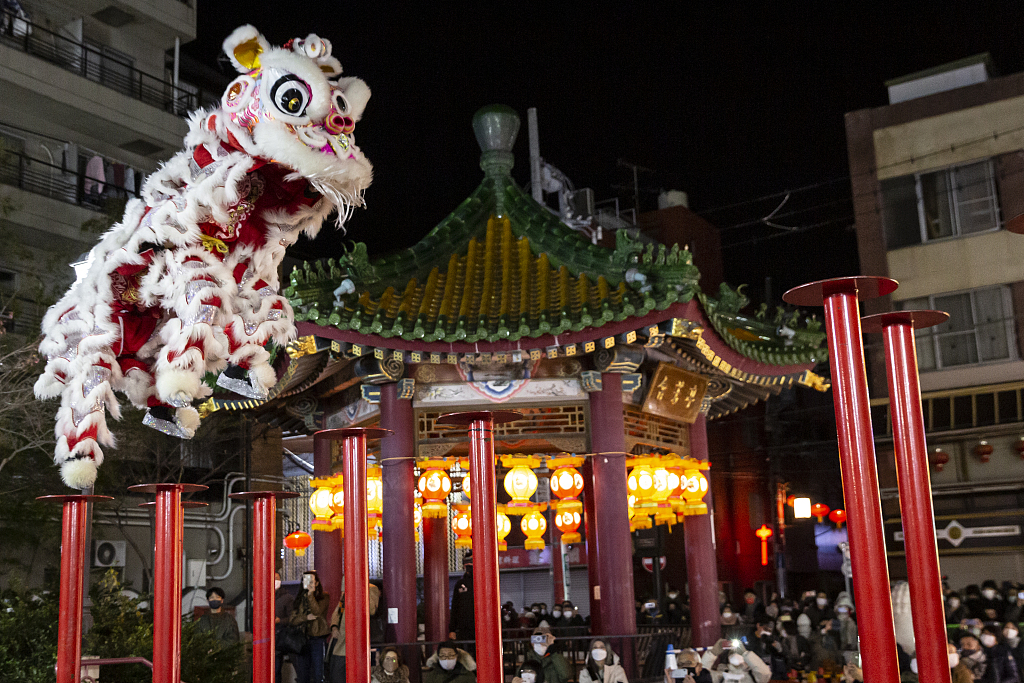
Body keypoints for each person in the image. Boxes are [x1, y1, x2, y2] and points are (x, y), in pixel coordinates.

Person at [328, 579, 382, 683]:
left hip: (358, 640)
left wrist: (359, 590)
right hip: (341, 640)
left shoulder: (371, 588)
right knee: (336, 676)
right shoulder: (345, 594)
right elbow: (338, 612)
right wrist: (334, 627)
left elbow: (371, 610)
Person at [290, 570, 331, 683]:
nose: (309, 584)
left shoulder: (324, 597)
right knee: (303, 674)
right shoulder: (299, 599)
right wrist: (305, 618)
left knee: (318, 673)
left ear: (317, 583)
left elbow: (317, 611)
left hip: (317, 637)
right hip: (302, 639)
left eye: (312, 581)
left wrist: (310, 595)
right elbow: (293, 619)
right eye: (306, 580)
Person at [700, 639, 771, 683]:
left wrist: (745, 653)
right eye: (732, 652)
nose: (735, 653)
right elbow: (701, 676)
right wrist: (712, 653)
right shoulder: (720, 676)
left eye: (738, 652)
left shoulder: (753, 676)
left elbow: (765, 673)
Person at [448, 553, 474, 643]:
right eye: (466, 562)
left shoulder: (483, 581)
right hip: (463, 627)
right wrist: (452, 629)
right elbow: (455, 606)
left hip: (480, 626)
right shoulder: (460, 583)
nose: (469, 564)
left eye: (471, 561)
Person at [275, 571, 294, 683]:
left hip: (280, 636)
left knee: (276, 668)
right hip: (265, 636)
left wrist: (279, 620)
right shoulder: (263, 595)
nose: (274, 581)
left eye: (276, 578)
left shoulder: (287, 597)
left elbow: (292, 618)